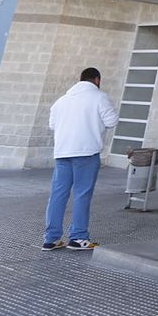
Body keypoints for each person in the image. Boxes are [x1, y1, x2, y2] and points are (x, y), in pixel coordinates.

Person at [42, 67, 118, 251]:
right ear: (97, 80)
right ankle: (78, 238)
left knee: (57, 195)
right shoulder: (99, 97)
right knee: (82, 195)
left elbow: (52, 125)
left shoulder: (61, 101)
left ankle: (51, 239)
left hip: (62, 153)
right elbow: (112, 121)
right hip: (86, 152)